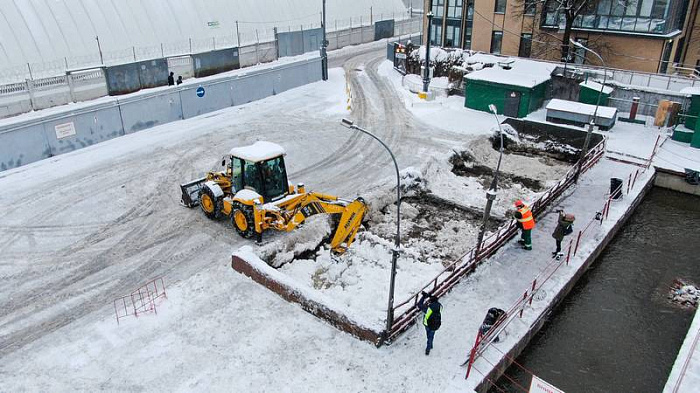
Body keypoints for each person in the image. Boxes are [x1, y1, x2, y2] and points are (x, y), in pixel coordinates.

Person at [417, 291, 442, 355]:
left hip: (427, 324)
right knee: (431, 336)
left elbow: (419, 304)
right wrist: (430, 296)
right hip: (436, 324)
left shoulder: (428, 308)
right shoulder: (440, 306)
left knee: (429, 336)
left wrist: (424, 296)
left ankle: (428, 349)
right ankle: (430, 345)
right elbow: (435, 302)